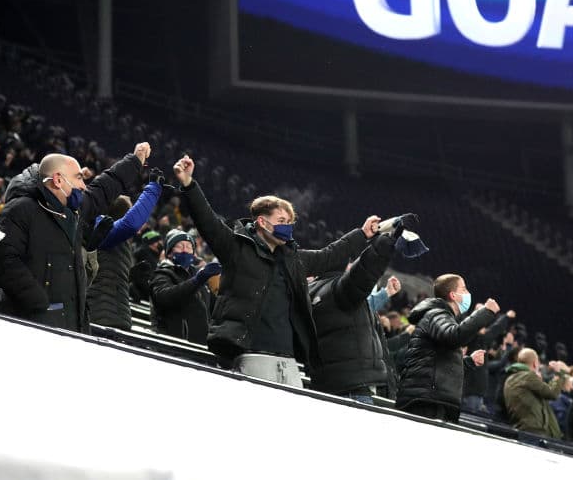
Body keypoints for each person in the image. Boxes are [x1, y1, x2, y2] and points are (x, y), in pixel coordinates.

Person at [172, 154, 377, 387]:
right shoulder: (236, 248)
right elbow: (208, 222)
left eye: (290, 222)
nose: (287, 226)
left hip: (289, 361)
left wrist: (362, 234)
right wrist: (189, 184)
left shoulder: (294, 259)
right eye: (281, 219)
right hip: (251, 356)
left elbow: (329, 256)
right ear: (261, 222)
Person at [0, 144, 151, 331]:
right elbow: (0, 260)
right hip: (31, 325)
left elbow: (104, 188)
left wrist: (135, 160)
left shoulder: (73, 212)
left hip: (69, 325)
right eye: (78, 177)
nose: (83, 185)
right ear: (57, 180)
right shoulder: (21, 209)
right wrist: (40, 303)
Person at [308, 218, 416, 403]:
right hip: (351, 385)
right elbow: (364, 270)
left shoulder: (312, 292)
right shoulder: (337, 288)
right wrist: (386, 241)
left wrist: (385, 293)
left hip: (327, 381)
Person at [394, 273, 499, 423]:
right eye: (464, 289)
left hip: (433, 399)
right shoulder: (436, 314)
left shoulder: (444, 318)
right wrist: (485, 312)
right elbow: (454, 337)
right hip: (425, 401)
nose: (468, 293)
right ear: (453, 295)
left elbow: (439, 360)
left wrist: (469, 361)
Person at [86, 176, 164, 330]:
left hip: (116, 312)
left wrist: (130, 277)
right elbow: (132, 223)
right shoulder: (104, 230)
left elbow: (107, 271)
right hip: (101, 313)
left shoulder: (119, 242)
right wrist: (153, 189)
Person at [149, 228, 220, 344]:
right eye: (180, 246)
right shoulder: (163, 274)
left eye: (189, 247)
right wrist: (196, 281)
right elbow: (164, 297)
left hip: (198, 347)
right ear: (170, 252)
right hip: (172, 345)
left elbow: (214, 307)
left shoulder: (198, 276)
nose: (185, 250)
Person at [503, 347, 569, 438]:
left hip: (521, 428)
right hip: (534, 432)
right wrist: (558, 374)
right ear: (535, 363)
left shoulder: (510, 378)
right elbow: (552, 394)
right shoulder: (529, 377)